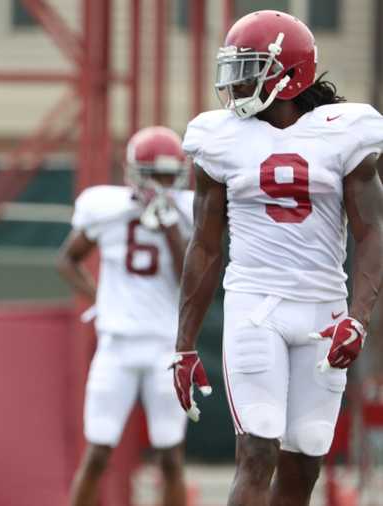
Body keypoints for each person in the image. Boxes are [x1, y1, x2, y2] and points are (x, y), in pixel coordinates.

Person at [173, 10, 383, 506]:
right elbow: (203, 246)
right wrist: (183, 344)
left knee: (306, 457)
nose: (237, 80)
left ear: (291, 75)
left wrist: (359, 318)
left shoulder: (344, 131)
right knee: (258, 448)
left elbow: (372, 231)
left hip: (324, 309)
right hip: (255, 305)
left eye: (250, 67)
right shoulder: (218, 138)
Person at [59, 127, 194, 506]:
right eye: (153, 173)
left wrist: (168, 224)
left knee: (170, 455)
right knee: (98, 451)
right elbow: (67, 260)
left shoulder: (187, 211)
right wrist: (99, 298)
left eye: (167, 175)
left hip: (165, 346)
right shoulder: (106, 207)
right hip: (116, 345)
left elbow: (192, 278)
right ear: (134, 172)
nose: (160, 183)